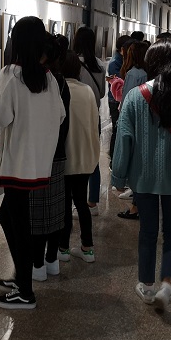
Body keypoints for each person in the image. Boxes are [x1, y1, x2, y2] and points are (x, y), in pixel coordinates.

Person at [112, 40, 171, 311]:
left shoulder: (135, 96)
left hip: (143, 178)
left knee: (148, 232)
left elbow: (124, 138)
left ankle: (147, 285)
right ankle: (168, 284)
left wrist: (118, 177)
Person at [0, 17, 66, 310]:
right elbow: (60, 116)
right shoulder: (48, 78)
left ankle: (25, 290)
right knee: (9, 218)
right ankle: (22, 276)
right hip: (39, 163)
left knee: (18, 224)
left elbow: (0, 116)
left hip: (16, 163)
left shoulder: (11, 74)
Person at [30, 35, 70, 282]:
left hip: (39, 154)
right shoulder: (60, 81)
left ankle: (37, 265)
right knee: (55, 211)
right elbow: (63, 119)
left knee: (37, 214)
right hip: (58, 151)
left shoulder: (42, 81)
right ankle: (52, 260)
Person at [57, 50, 100, 265]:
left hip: (65, 157)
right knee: (81, 203)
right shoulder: (87, 91)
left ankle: (63, 248)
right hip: (85, 157)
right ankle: (87, 248)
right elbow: (94, 124)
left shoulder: (59, 90)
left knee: (64, 204)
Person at [73, 26, 107, 216]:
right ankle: (92, 202)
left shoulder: (72, 63)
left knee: (74, 159)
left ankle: (76, 202)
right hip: (94, 116)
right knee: (93, 160)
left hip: (74, 117)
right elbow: (101, 93)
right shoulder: (99, 65)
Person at [116, 40, 149, 218]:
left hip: (133, 122)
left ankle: (135, 206)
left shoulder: (133, 74)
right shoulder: (147, 72)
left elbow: (127, 100)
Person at [107, 35, 132, 159]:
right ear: (123, 48)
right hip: (115, 100)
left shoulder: (121, 60)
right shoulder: (115, 63)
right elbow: (118, 83)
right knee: (117, 129)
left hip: (119, 99)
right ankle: (113, 156)